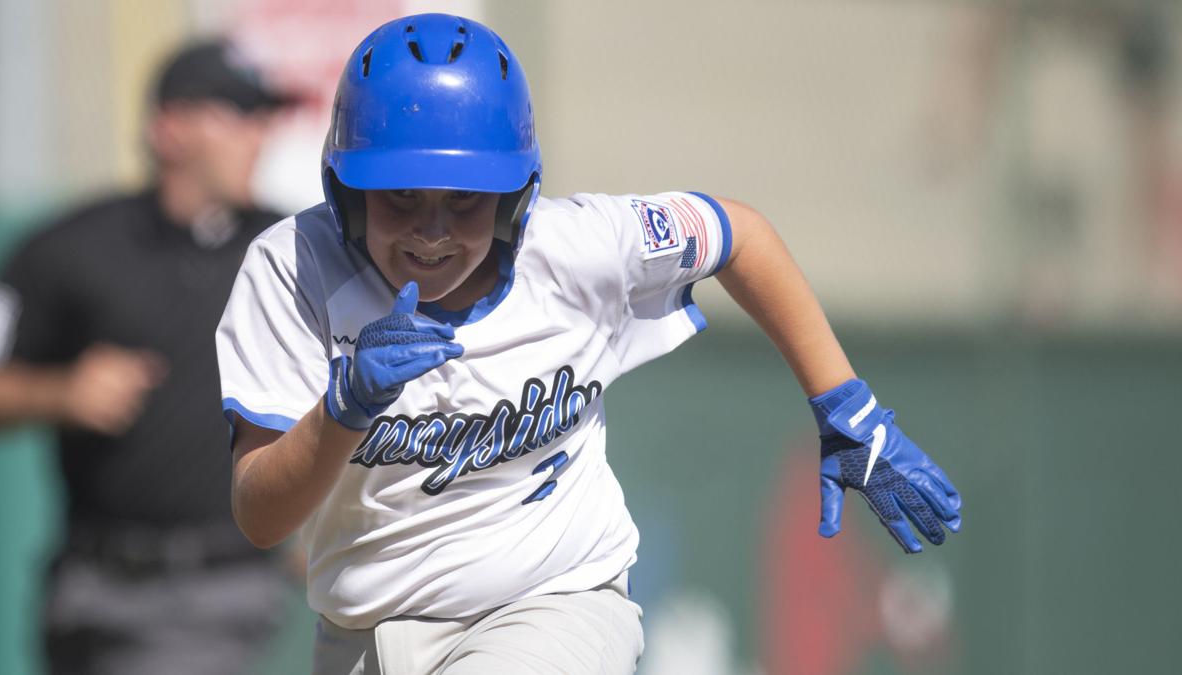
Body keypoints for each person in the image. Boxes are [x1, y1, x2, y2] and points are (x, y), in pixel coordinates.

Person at [217, 13, 963, 674]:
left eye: (466, 198)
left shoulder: (581, 246)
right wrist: (342, 409)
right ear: (346, 188)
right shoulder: (292, 269)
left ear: (516, 195)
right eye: (402, 193)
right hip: (362, 635)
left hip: (554, 606)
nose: (433, 229)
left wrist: (845, 403)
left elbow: (740, 236)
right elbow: (262, 515)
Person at [0, 38, 295, 675]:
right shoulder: (67, 248)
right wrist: (60, 392)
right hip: (84, 588)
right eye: (238, 113)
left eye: (265, 116)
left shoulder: (290, 251)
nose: (258, 135)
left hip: (215, 587)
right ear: (170, 127)